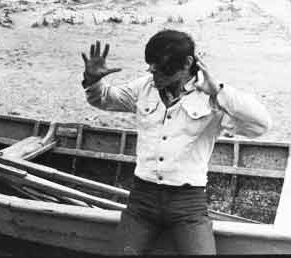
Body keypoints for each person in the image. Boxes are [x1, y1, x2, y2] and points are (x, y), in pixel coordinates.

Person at [80, 29, 271, 254]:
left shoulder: (213, 98)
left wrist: (218, 91)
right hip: (142, 199)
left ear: (187, 63)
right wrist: (93, 80)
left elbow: (261, 125)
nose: (152, 71)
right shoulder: (144, 87)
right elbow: (103, 98)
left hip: (188, 203)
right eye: (150, 64)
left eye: (160, 66)